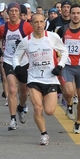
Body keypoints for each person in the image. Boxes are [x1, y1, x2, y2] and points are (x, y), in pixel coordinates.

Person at [13, 13, 68, 145]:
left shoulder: (52, 37)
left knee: (49, 111)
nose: (39, 25)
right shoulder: (26, 41)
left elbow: (65, 51)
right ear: (31, 24)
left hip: (50, 79)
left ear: (45, 23)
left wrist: (60, 66)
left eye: (41, 22)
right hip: (34, 78)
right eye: (36, 22)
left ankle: (43, 103)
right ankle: (44, 134)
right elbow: (16, 57)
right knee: (37, 108)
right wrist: (18, 68)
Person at [57, 4, 80, 133]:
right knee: (68, 92)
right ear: (70, 15)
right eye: (73, 13)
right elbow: (55, 46)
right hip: (66, 65)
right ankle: (69, 104)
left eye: (78, 13)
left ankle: (78, 122)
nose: (75, 15)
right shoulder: (62, 30)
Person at [0, 2, 33, 130]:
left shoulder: (27, 27)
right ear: (7, 13)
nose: (13, 13)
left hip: (23, 61)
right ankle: (12, 119)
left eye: (16, 11)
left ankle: (21, 107)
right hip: (9, 61)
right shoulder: (3, 28)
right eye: (11, 11)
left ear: (19, 13)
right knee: (12, 89)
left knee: (24, 92)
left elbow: (33, 40)